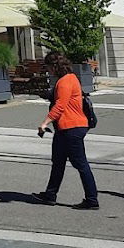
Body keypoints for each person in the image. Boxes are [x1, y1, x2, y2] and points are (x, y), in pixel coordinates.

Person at [35, 53, 99, 209]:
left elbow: (60, 106)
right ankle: (50, 195)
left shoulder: (64, 82)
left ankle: (92, 200)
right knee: (58, 162)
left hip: (71, 127)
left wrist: (45, 123)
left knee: (81, 164)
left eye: (48, 67)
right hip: (66, 128)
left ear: (54, 66)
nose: (48, 71)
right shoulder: (71, 78)